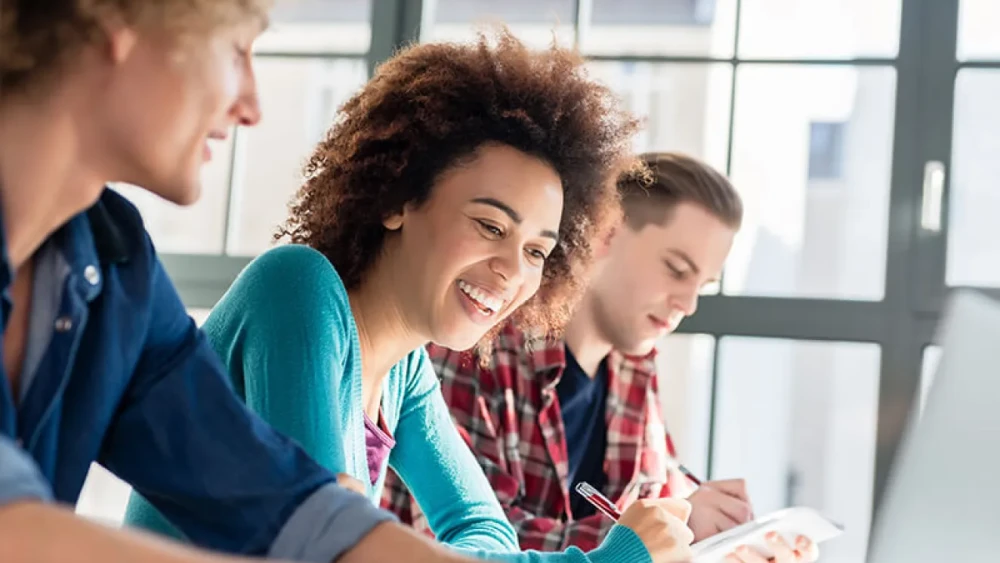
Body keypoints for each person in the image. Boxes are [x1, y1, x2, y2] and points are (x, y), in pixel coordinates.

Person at [124, 29, 697, 563]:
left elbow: (487, 530)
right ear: (398, 201)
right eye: (491, 227)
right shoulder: (298, 290)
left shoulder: (405, 372)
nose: (510, 271)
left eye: (536, 251)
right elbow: (328, 550)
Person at [0, 1, 503, 562]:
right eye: (235, 49)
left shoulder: (117, 269)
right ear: (113, 19)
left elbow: (288, 505)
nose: (252, 107)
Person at [381, 152, 821, 563]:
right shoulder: (473, 342)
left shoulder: (637, 366)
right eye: (677, 270)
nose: (688, 304)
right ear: (605, 234)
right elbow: (474, 545)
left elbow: (660, 501)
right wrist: (651, 538)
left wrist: (720, 538)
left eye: (702, 285)